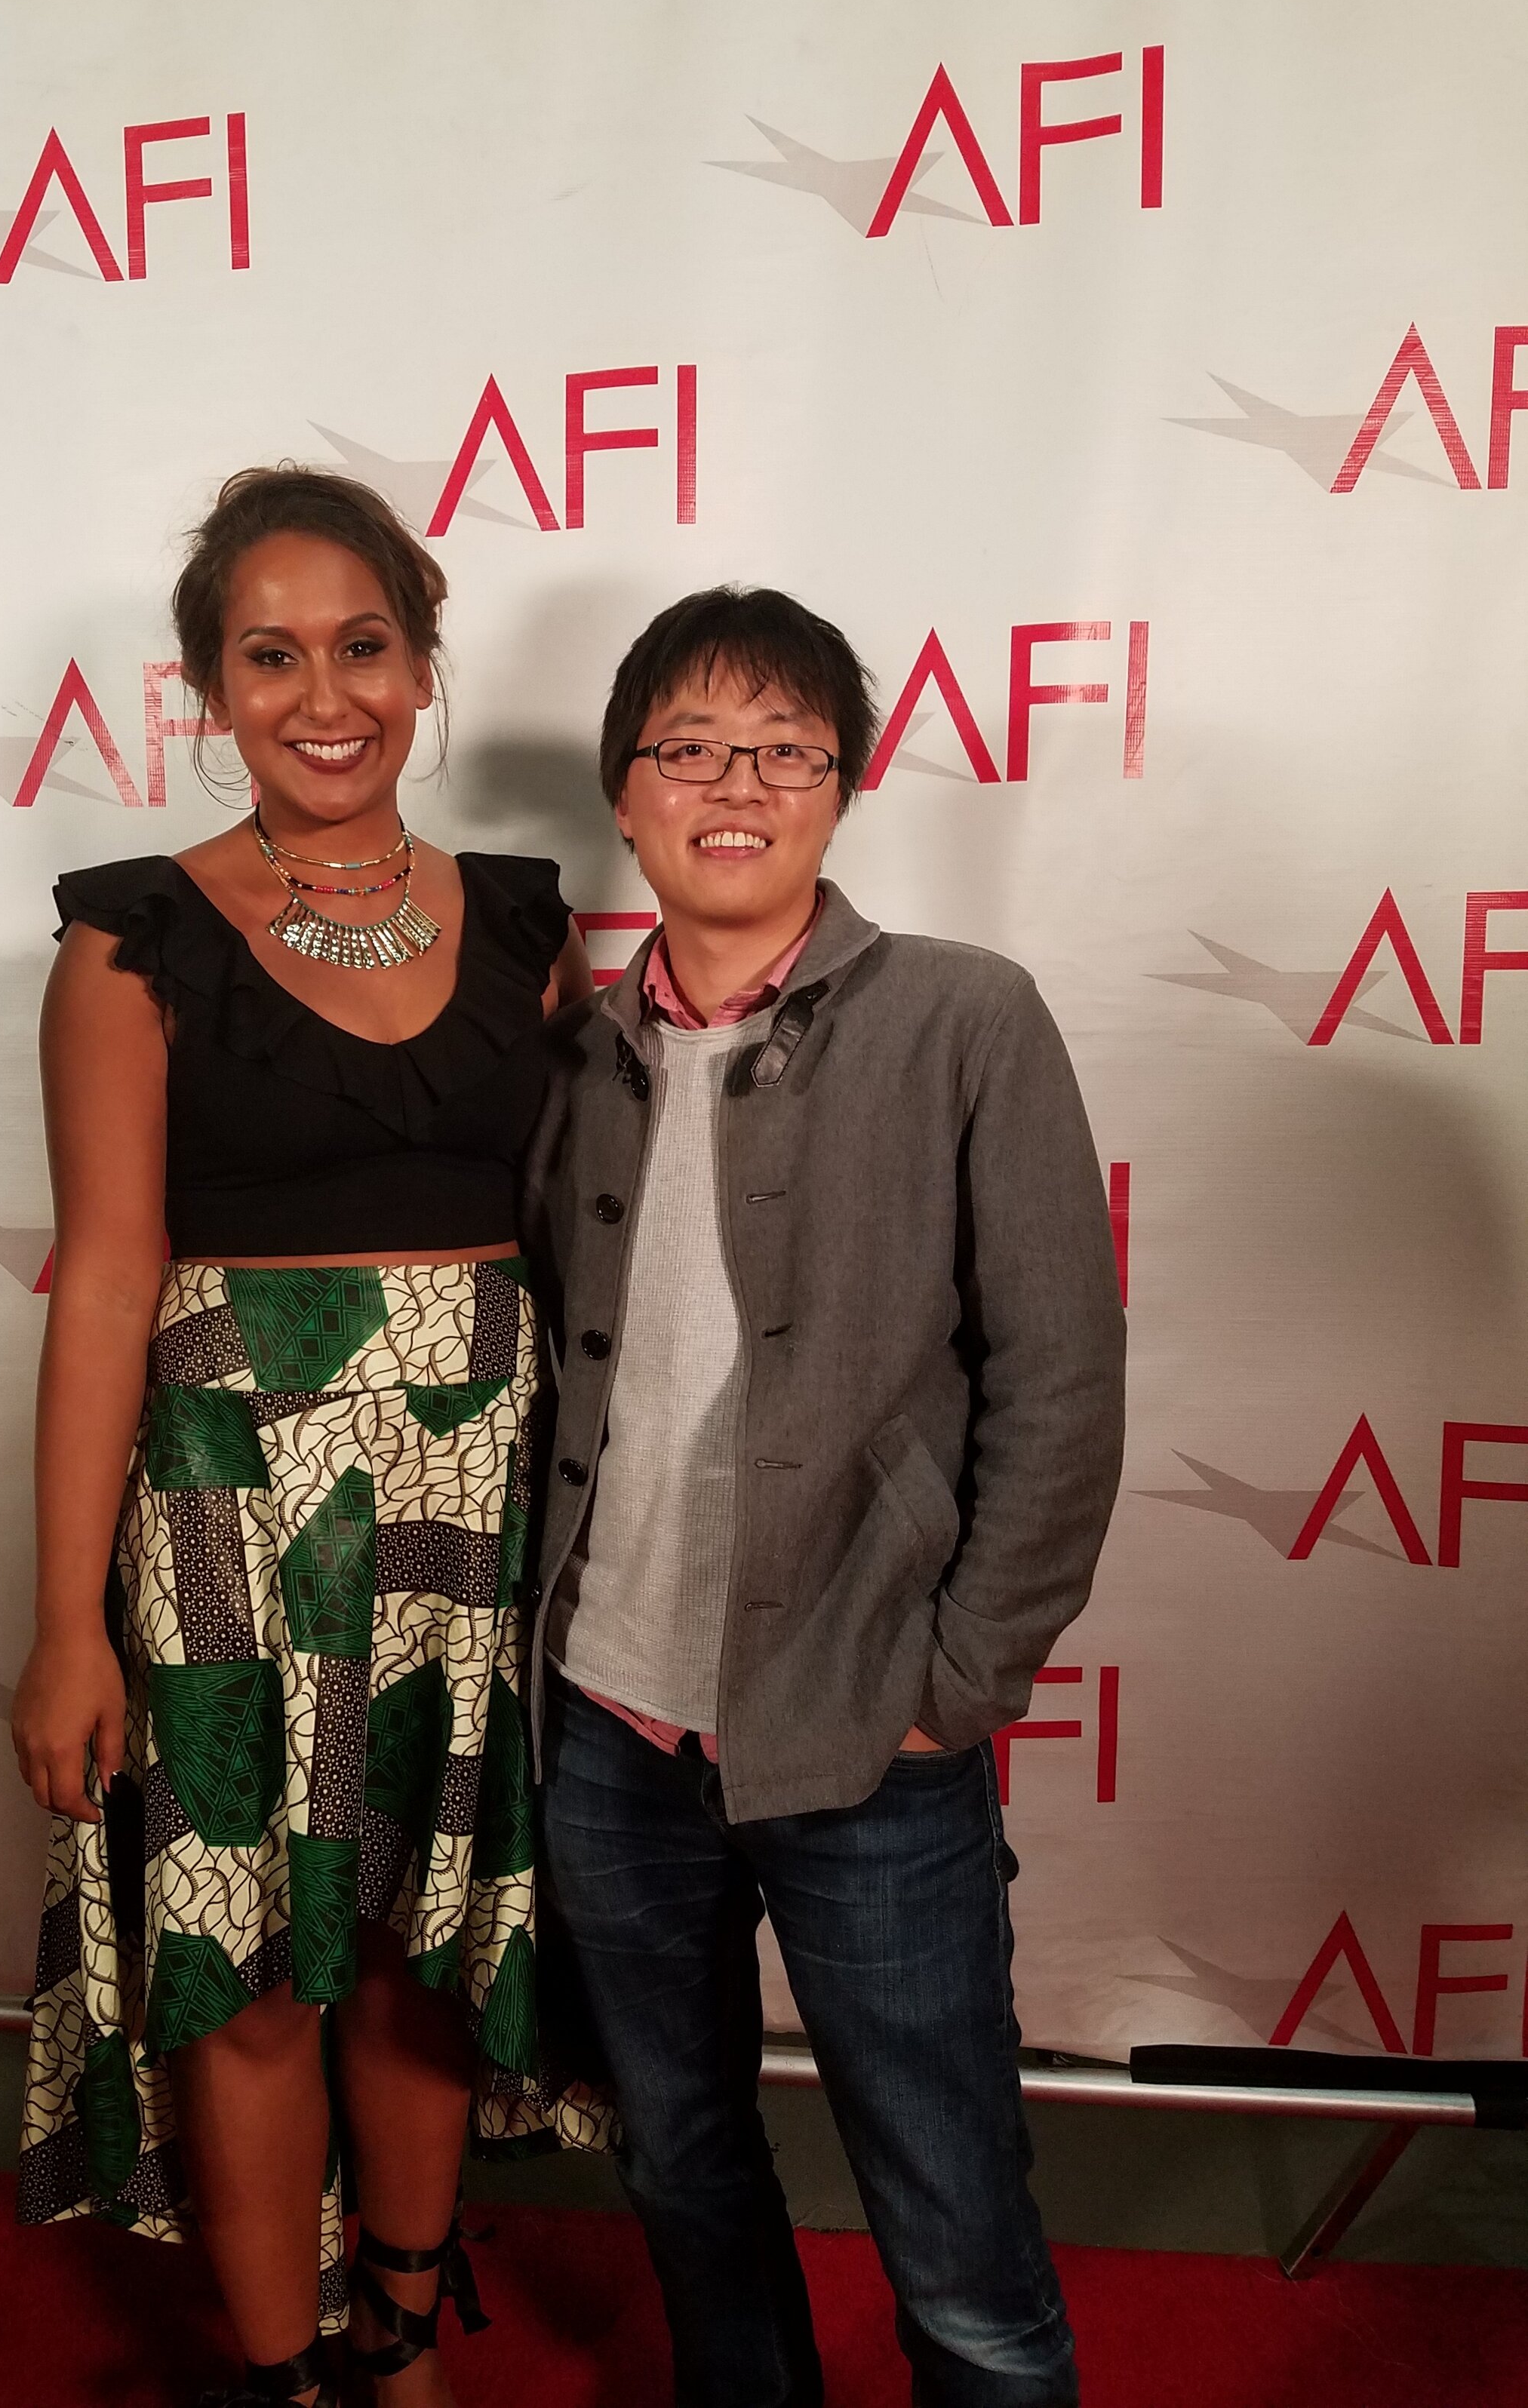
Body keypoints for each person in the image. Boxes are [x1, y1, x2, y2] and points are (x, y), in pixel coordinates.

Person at [10, 465, 609, 2408]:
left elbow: (579, 1243)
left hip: (470, 1507)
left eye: (361, 643)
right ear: (206, 686)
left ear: (425, 667)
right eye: (268, 653)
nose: (320, 690)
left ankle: (406, 2332)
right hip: (216, 1515)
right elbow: (105, 1280)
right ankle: (286, 2372)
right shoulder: (128, 943)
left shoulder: (529, 922)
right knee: (250, 1956)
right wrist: (64, 1622)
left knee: (419, 1948)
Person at [523, 585, 1127, 2408]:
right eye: (689, 748)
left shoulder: (963, 1017)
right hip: (610, 1727)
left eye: (783, 750)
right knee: (684, 2171)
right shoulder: (569, 1053)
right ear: (625, 794)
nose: (736, 784)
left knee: (954, 2239)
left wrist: (957, 1683)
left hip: (870, 1732)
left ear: (839, 790)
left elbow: (1060, 1375)